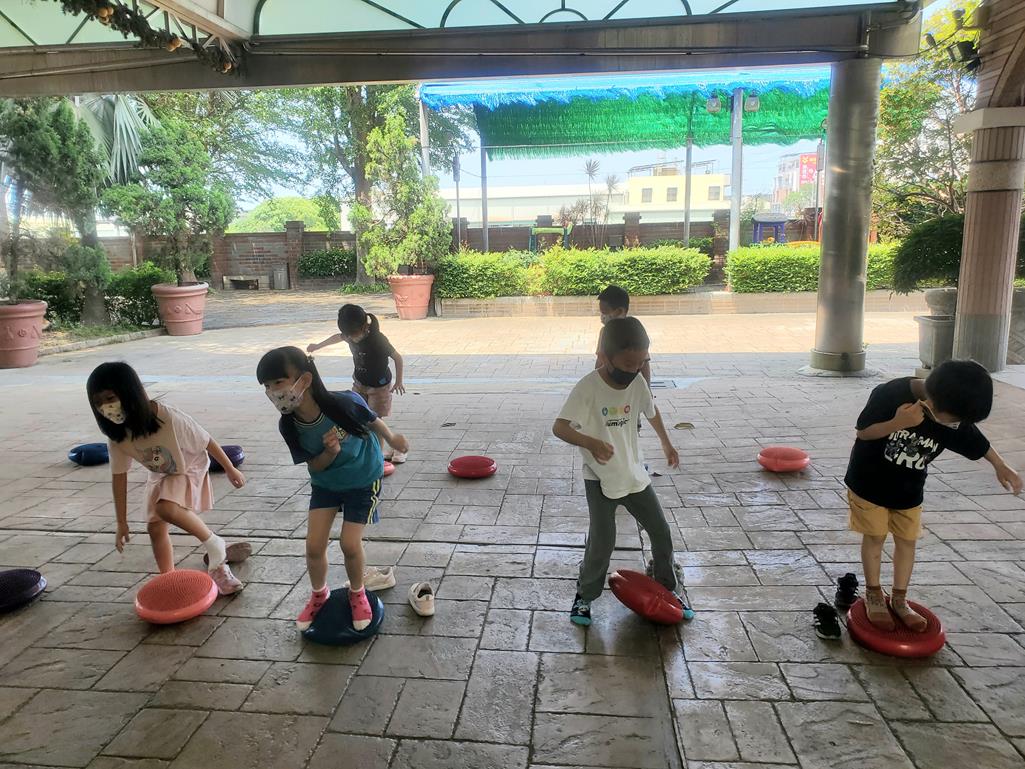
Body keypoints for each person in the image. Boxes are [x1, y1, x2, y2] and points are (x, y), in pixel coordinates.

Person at [845, 359, 1021, 631]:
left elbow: (975, 440)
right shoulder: (890, 393)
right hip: (869, 483)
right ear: (932, 401)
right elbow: (864, 432)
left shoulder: (950, 409)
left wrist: (1000, 465)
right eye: (953, 419)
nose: (955, 425)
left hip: (909, 490)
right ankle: (874, 594)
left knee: (907, 540)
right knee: (875, 536)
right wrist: (898, 422)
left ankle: (900, 599)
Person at [553, 316, 693, 626]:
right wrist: (590, 442)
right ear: (605, 357)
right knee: (602, 541)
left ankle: (666, 588)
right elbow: (559, 427)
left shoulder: (638, 381)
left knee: (661, 532)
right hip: (599, 476)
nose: (634, 370)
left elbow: (651, 411)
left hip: (633, 474)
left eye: (641, 363)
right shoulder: (588, 387)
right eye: (628, 364)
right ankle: (584, 596)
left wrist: (666, 443)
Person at [257, 346, 409, 631]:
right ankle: (319, 594)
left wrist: (392, 439)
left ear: (304, 379)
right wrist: (329, 453)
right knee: (314, 546)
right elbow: (315, 467)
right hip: (326, 483)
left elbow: (371, 418)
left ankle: (358, 592)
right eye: (266, 386)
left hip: (363, 478)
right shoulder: (289, 425)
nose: (273, 391)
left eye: (278, 382)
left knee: (349, 543)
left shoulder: (343, 403)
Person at [87, 362, 247, 595]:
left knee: (166, 508)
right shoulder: (117, 436)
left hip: (189, 465)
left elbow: (206, 440)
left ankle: (216, 550)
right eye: (98, 402)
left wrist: (230, 468)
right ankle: (169, 579)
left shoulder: (167, 417)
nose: (106, 407)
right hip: (161, 473)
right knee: (155, 528)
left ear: (130, 392)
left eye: (110, 398)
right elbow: (119, 477)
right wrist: (121, 522)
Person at [307, 304, 407, 463]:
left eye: (352, 335)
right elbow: (337, 337)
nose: (350, 338)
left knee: (375, 421)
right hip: (360, 383)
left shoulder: (377, 339)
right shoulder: (349, 334)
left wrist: (399, 381)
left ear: (364, 326)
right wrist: (317, 346)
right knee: (354, 414)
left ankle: (379, 456)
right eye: (347, 335)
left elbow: (398, 358)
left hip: (379, 387)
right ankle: (372, 449)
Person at [594, 285, 651, 386]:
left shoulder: (634, 331)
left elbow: (644, 362)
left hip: (630, 383)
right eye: (601, 312)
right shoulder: (604, 332)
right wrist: (596, 382)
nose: (602, 317)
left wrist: (647, 387)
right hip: (608, 384)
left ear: (619, 311)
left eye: (605, 312)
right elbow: (600, 359)